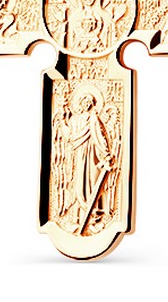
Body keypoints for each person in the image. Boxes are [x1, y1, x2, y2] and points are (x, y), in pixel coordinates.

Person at [68, 93, 113, 233]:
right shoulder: (75, 119)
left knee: (92, 184)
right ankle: (76, 219)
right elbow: (71, 137)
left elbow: (99, 136)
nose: (86, 104)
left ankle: (93, 220)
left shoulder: (93, 119)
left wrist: (105, 153)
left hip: (92, 155)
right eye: (84, 101)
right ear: (81, 103)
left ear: (92, 104)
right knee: (79, 184)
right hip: (79, 155)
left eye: (89, 102)